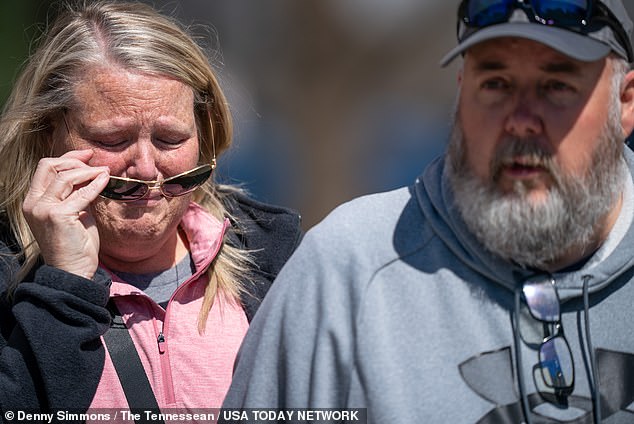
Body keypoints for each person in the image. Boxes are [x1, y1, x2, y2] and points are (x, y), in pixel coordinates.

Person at [221, 1, 634, 423]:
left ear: (626, 103)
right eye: (495, 84)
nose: (521, 120)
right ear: (460, 91)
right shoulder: (347, 270)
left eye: (555, 86)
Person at [0, 0, 301, 417]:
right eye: (112, 139)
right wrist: (63, 287)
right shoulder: (7, 273)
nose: (145, 168)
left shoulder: (274, 259)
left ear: (205, 132)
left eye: (170, 139)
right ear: (48, 134)